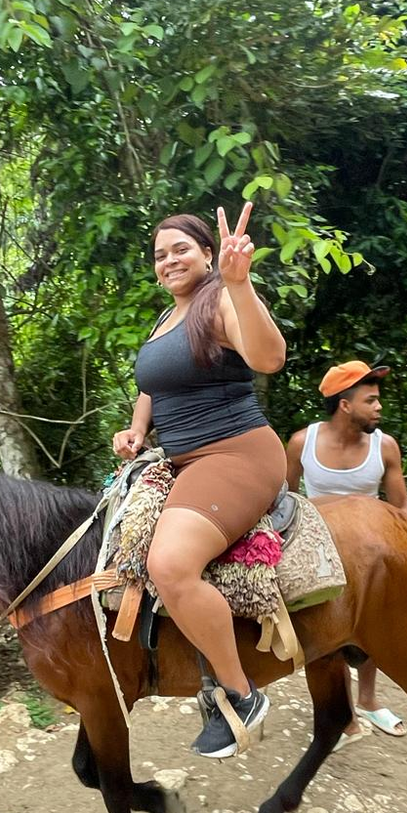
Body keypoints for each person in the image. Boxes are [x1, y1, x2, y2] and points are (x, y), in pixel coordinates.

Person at [112, 202, 286, 758]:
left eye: (181, 249)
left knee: (168, 564)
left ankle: (240, 693)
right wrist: (136, 430)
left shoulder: (219, 303)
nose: (169, 262)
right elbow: (153, 384)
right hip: (181, 460)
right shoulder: (165, 321)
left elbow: (269, 355)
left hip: (237, 455)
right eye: (160, 256)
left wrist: (241, 284)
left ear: (208, 254)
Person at [285, 360, 407, 751]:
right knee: (327, 637)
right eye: (371, 400)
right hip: (321, 554)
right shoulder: (300, 443)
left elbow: (403, 507)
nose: (379, 408)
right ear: (345, 405)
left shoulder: (385, 446)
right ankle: (344, 717)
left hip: (372, 554)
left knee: (373, 629)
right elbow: (286, 498)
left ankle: (370, 700)